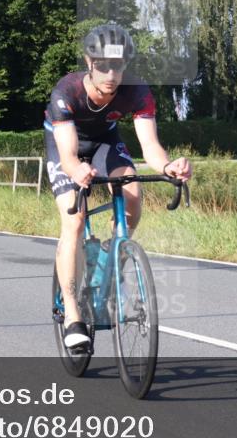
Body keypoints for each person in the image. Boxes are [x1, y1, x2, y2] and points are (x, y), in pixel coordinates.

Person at [44, 23, 192, 351]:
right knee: (75, 219)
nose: (111, 74)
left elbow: (150, 147)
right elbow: (68, 156)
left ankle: (113, 254)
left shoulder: (138, 92)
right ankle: (72, 314)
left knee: (133, 193)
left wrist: (169, 167)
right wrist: (78, 170)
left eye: (119, 66)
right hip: (65, 145)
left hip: (104, 141)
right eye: (103, 66)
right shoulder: (66, 93)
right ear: (89, 62)